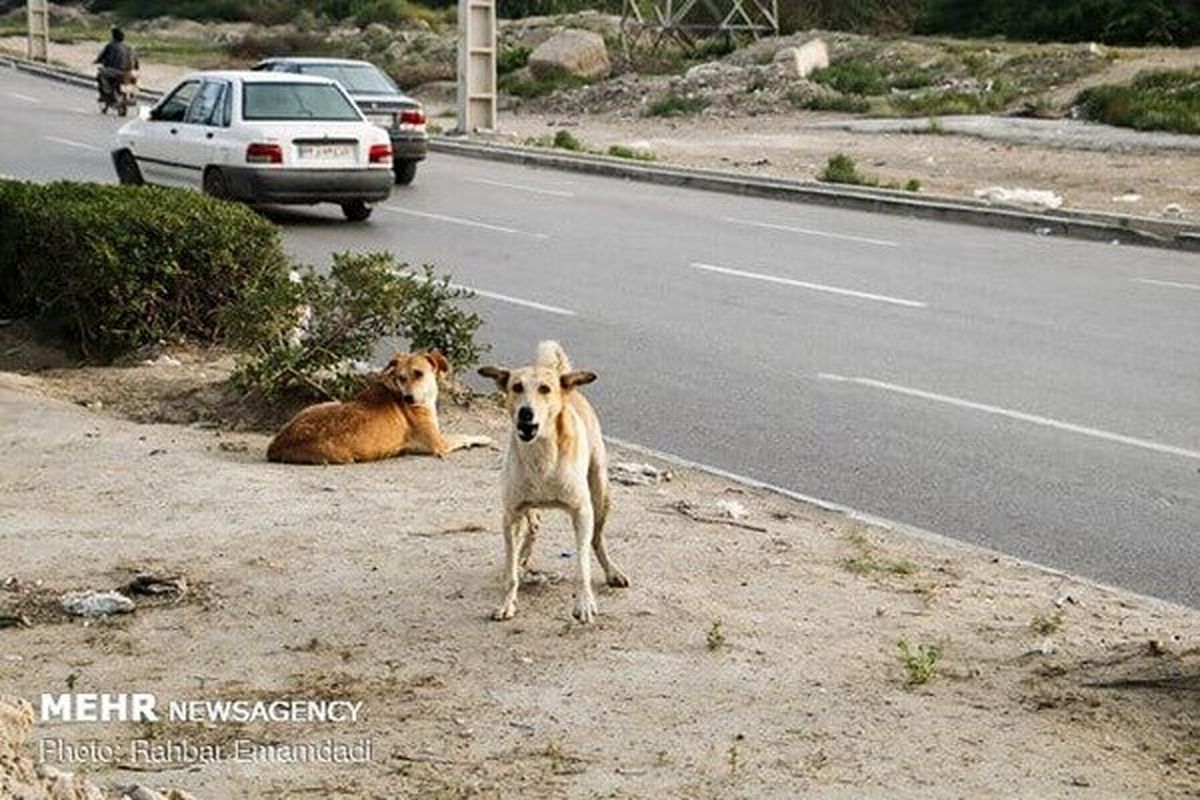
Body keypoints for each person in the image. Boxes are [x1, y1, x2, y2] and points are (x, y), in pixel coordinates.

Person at [94, 27, 138, 104]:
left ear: (113, 36)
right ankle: (130, 95)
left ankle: (106, 93)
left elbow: (101, 57)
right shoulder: (130, 47)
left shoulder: (110, 45)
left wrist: (97, 61)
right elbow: (136, 62)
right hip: (128, 72)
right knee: (133, 80)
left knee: (100, 75)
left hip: (114, 71)